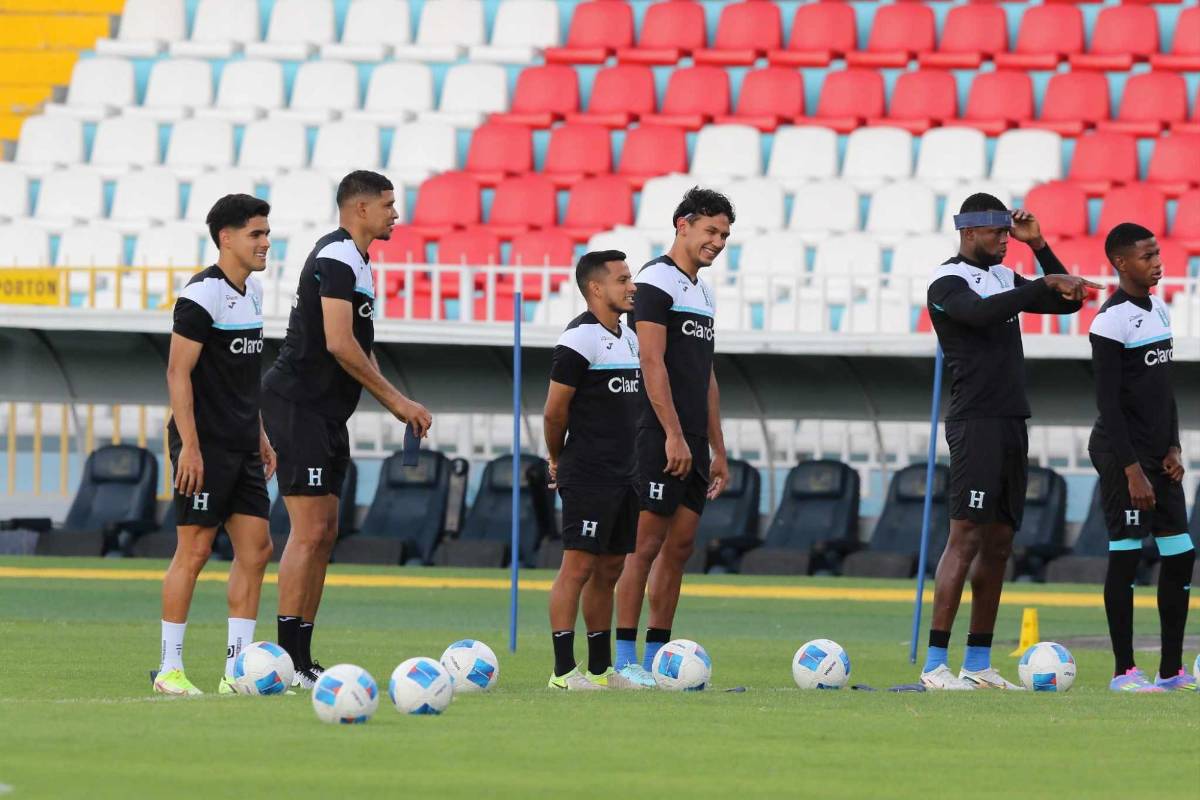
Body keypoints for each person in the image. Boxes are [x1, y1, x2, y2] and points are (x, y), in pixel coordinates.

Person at [920, 193, 1100, 690]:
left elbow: (1068, 299)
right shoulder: (947, 280)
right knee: (966, 537)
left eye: (1008, 231)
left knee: (999, 543)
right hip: (974, 420)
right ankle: (936, 664)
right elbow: (977, 315)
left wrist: (1040, 247)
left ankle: (977, 664)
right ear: (969, 231)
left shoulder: (1005, 278)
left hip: (1010, 419)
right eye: (997, 232)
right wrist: (1037, 285)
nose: (1005, 239)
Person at [262, 171, 432, 688]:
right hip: (298, 407)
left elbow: (360, 345)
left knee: (325, 533)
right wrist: (399, 401)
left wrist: (390, 402)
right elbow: (338, 343)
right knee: (308, 532)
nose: (395, 214)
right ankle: (288, 661)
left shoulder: (359, 261)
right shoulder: (337, 256)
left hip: (326, 414)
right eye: (387, 205)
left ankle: (302, 659)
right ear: (360, 209)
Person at [154, 194, 276, 696]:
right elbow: (177, 373)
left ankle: (237, 671)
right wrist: (190, 448)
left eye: (267, 233)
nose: (266, 242)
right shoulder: (201, 295)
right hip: (203, 447)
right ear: (226, 238)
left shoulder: (253, 294)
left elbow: (246, 379)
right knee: (196, 550)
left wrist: (262, 435)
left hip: (244, 445)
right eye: (256, 234)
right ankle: (170, 669)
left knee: (258, 549)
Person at [612, 187, 733, 681]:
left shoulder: (702, 291)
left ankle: (660, 658)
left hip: (692, 440)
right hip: (658, 434)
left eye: (724, 234)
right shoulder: (655, 281)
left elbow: (704, 374)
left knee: (680, 546)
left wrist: (717, 447)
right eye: (710, 231)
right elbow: (650, 360)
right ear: (683, 224)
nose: (718, 242)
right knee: (644, 545)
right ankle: (623, 660)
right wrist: (673, 435)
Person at [1088, 222, 1194, 693]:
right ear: (1120, 263)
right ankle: (1123, 672)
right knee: (1127, 554)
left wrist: (1173, 447)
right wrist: (1133, 470)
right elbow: (1109, 404)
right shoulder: (1109, 321)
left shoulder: (1160, 310)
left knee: (1181, 553)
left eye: (1157, 254)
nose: (1157, 262)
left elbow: (1162, 391)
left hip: (1157, 453)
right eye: (1147, 256)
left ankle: (1170, 671)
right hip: (1120, 453)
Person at [544, 251, 650, 690]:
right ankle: (563, 671)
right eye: (623, 279)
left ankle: (601, 670)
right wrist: (556, 457)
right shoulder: (580, 339)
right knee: (578, 567)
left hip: (625, 474)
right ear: (596, 288)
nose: (632, 287)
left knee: (610, 570)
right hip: (588, 473)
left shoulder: (628, 338)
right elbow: (554, 413)